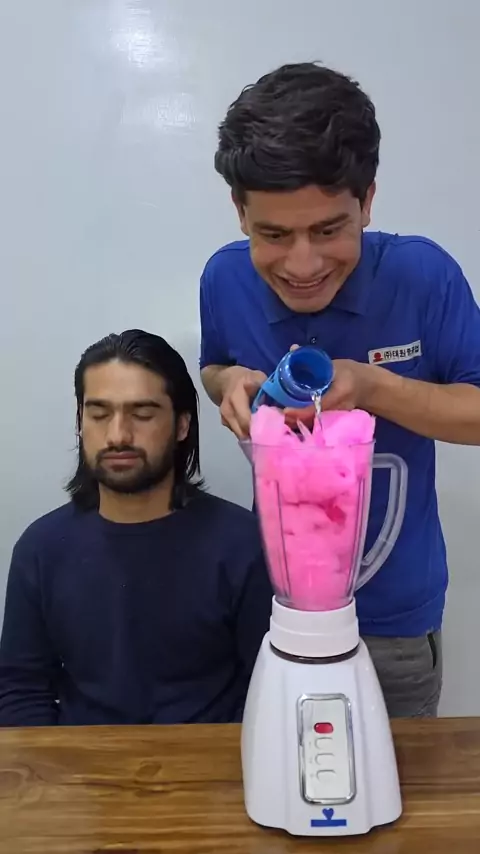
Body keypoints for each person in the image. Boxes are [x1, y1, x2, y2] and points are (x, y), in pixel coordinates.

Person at [199, 62, 480, 718]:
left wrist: (372, 385)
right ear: (239, 211)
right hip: (272, 608)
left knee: (397, 780)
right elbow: (214, 366)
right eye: (273, 235)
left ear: (368, 200)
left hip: (394, 621)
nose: (302, 264)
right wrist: (227, 384)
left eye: (328, 230)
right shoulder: (223, 280)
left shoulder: (423, 275)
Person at [0, 330, 272, 726]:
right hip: (79, 761)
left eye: (142, 414)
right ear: (80, 423)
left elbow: (266, 692)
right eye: (99, 414)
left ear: (182, 425)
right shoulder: (40, 549)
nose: (118, 436)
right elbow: (20, 689)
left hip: (212, 759)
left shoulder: (244, 545)